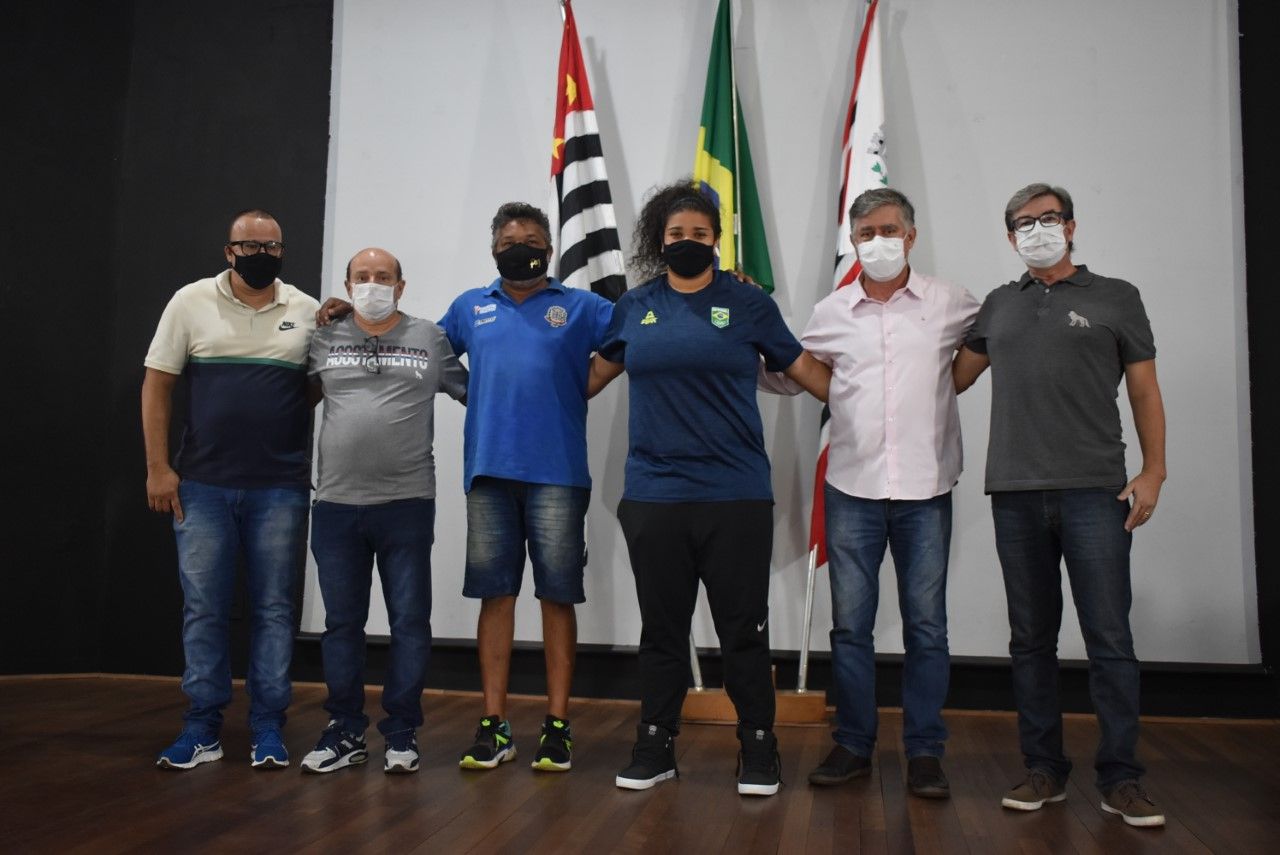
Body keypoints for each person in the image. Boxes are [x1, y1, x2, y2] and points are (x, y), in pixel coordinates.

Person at [318, 202, 614, 773]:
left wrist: (587, 382)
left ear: (550, 250)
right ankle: (494, 725)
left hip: (558, 473)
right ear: (493, 250)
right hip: (488, 474)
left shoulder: (581, 306)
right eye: (508, 242)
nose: (519, 249)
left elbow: (632, 334)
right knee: (494, 596)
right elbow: (413, 346)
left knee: (556, 597)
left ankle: (557, 725)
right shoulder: (469, 307)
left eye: (531, 241)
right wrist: (350, 313)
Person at [588, 179, 830, 797]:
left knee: (743, 629)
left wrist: (878, 400)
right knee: (662, 630)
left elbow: (805, 370)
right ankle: (655, 745)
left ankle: (759, 746)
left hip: (735, 494)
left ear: (717, 240)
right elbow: (588, 376)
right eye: (676, 233)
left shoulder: (747, 303)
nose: (687, 241)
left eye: (699, 233)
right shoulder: (635, 306)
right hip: (654, 495)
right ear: (659, 240)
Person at [953, 183, 1168, 827]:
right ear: (1010, 237)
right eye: (1023, 223)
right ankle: (1043, 769)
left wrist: (1154, 471)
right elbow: (950, 378)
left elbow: (1145, 390)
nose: (1037, 230)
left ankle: (1121, 778)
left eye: (1048, 219)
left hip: (1095, 491)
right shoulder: (998, 304)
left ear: (1071, 227)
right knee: (1030, 640)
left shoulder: (1117, 297)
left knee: (1109, 639)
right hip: (1014, 494)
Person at [762, 188, 979, 798]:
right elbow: (794, 373)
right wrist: (736, 346)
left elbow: (989, 347)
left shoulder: (951, 302)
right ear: (852, 241)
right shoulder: (832, 310)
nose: (878, 242)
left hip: (926, 488)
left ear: (911, 236)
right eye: (865, 233)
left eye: (888, 230)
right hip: (852, 486)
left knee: (926, 627)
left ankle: (925, 751)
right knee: (851, 627)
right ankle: (853, 744)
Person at [143, 209, 318, 770]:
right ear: (229, 251)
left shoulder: (306, 310)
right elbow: (157, 385)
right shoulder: (190, 302)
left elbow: (312, 390)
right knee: (204, 608)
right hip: (202, 486)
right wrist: (158, 468)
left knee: (274, 609)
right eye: (249, 246)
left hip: (280, 488)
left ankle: (268, 727)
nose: (261, 254)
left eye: (271, 246)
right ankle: (202, 727)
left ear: (282, 251)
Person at [299, 248, 467, 775]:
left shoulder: (429, 338)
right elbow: (291, 403)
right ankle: (345, 729)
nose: (373, 284)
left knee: (409, 623)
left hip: (407, 503)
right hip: (335, 505)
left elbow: (477, 394)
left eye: (384, 276)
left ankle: (402, 732)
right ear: (348, 286)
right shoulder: (323, 337)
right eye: (363, 277)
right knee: (341, 625)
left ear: (401, 285)